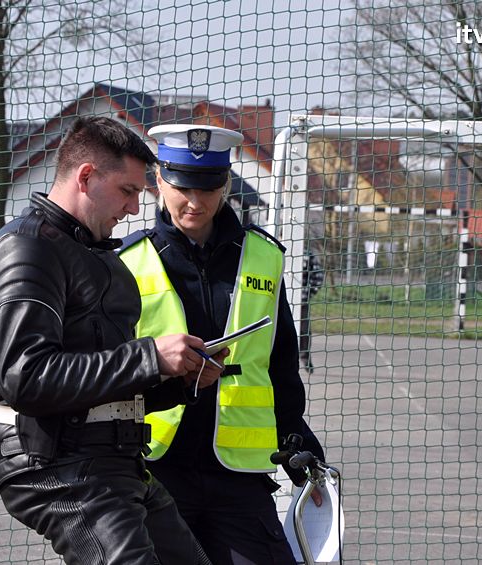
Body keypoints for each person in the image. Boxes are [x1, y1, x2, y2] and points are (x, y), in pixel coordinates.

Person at [0, 116, 219, 565]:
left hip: (112, 461)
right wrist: (149, 357)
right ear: (86, 177)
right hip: (57, 464)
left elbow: (99, 384)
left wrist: (178, 380)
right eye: (127, 191)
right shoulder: (27, 250)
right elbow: (26, 377)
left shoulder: (89, 253)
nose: (134, 208)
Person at [118, 124, 325, 565]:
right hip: (156, 468)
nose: (195, 201)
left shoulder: (264, 257)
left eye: (209, 186)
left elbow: (280, 362)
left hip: (239, 478)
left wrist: (294, 434)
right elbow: (113, 365)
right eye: (182, 185)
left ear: (226, 183)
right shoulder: (124, 262)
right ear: (159, 180)